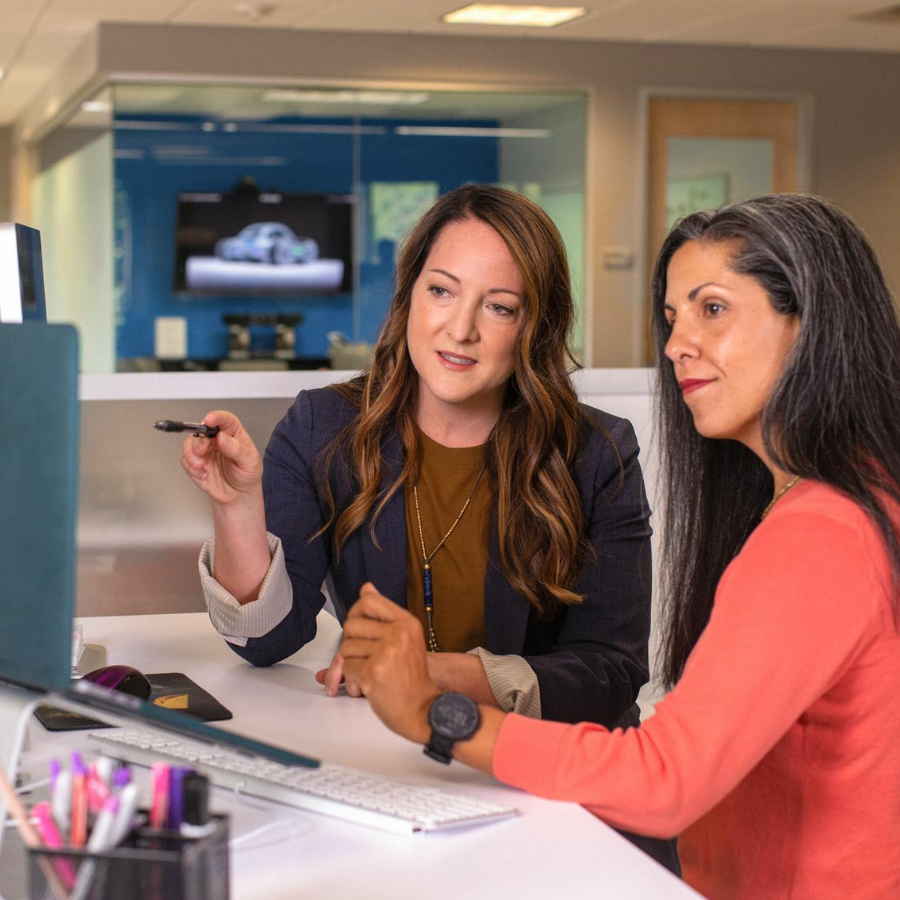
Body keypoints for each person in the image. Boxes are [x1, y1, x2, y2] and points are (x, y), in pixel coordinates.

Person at [338, 193, 900, 900]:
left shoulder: (822, 534)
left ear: (812, 323)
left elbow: (664, 781)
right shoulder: (862, 501)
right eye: (671, 318)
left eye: (713, 309)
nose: (676, 345)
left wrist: (434, 714)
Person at [181, 184, 676, 868]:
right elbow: (267, 640)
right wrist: (236, 504)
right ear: (410, 294)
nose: (460, 329)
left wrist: (432, 678)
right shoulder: (323, 427)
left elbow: (611, 673)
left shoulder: (596, 451)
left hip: (552, 789)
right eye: (442, 291)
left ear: (535, 326)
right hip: (396, 780)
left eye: (498, 307)